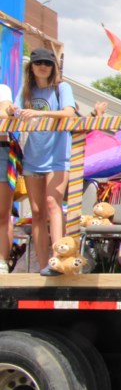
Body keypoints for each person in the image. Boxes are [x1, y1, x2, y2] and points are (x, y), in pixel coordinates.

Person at [17, 48, 79, 274]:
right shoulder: (27, 91)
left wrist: (38, 114)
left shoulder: (62, 87)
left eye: (48, 62)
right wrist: (14, 110)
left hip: (57, 155)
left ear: (54, 67)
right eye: (38, 62)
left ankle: (57, 260)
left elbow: (69, 113)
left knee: (54, 204)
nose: (43, 66)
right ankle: (42, 265)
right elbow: (13, 112)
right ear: (31, 67)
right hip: (33, 156)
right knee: (36, 212)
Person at [0, 83, 16, 274]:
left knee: (2, 212)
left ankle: (2, 261)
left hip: (1, 148)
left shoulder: (3, 88)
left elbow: (5, 112)